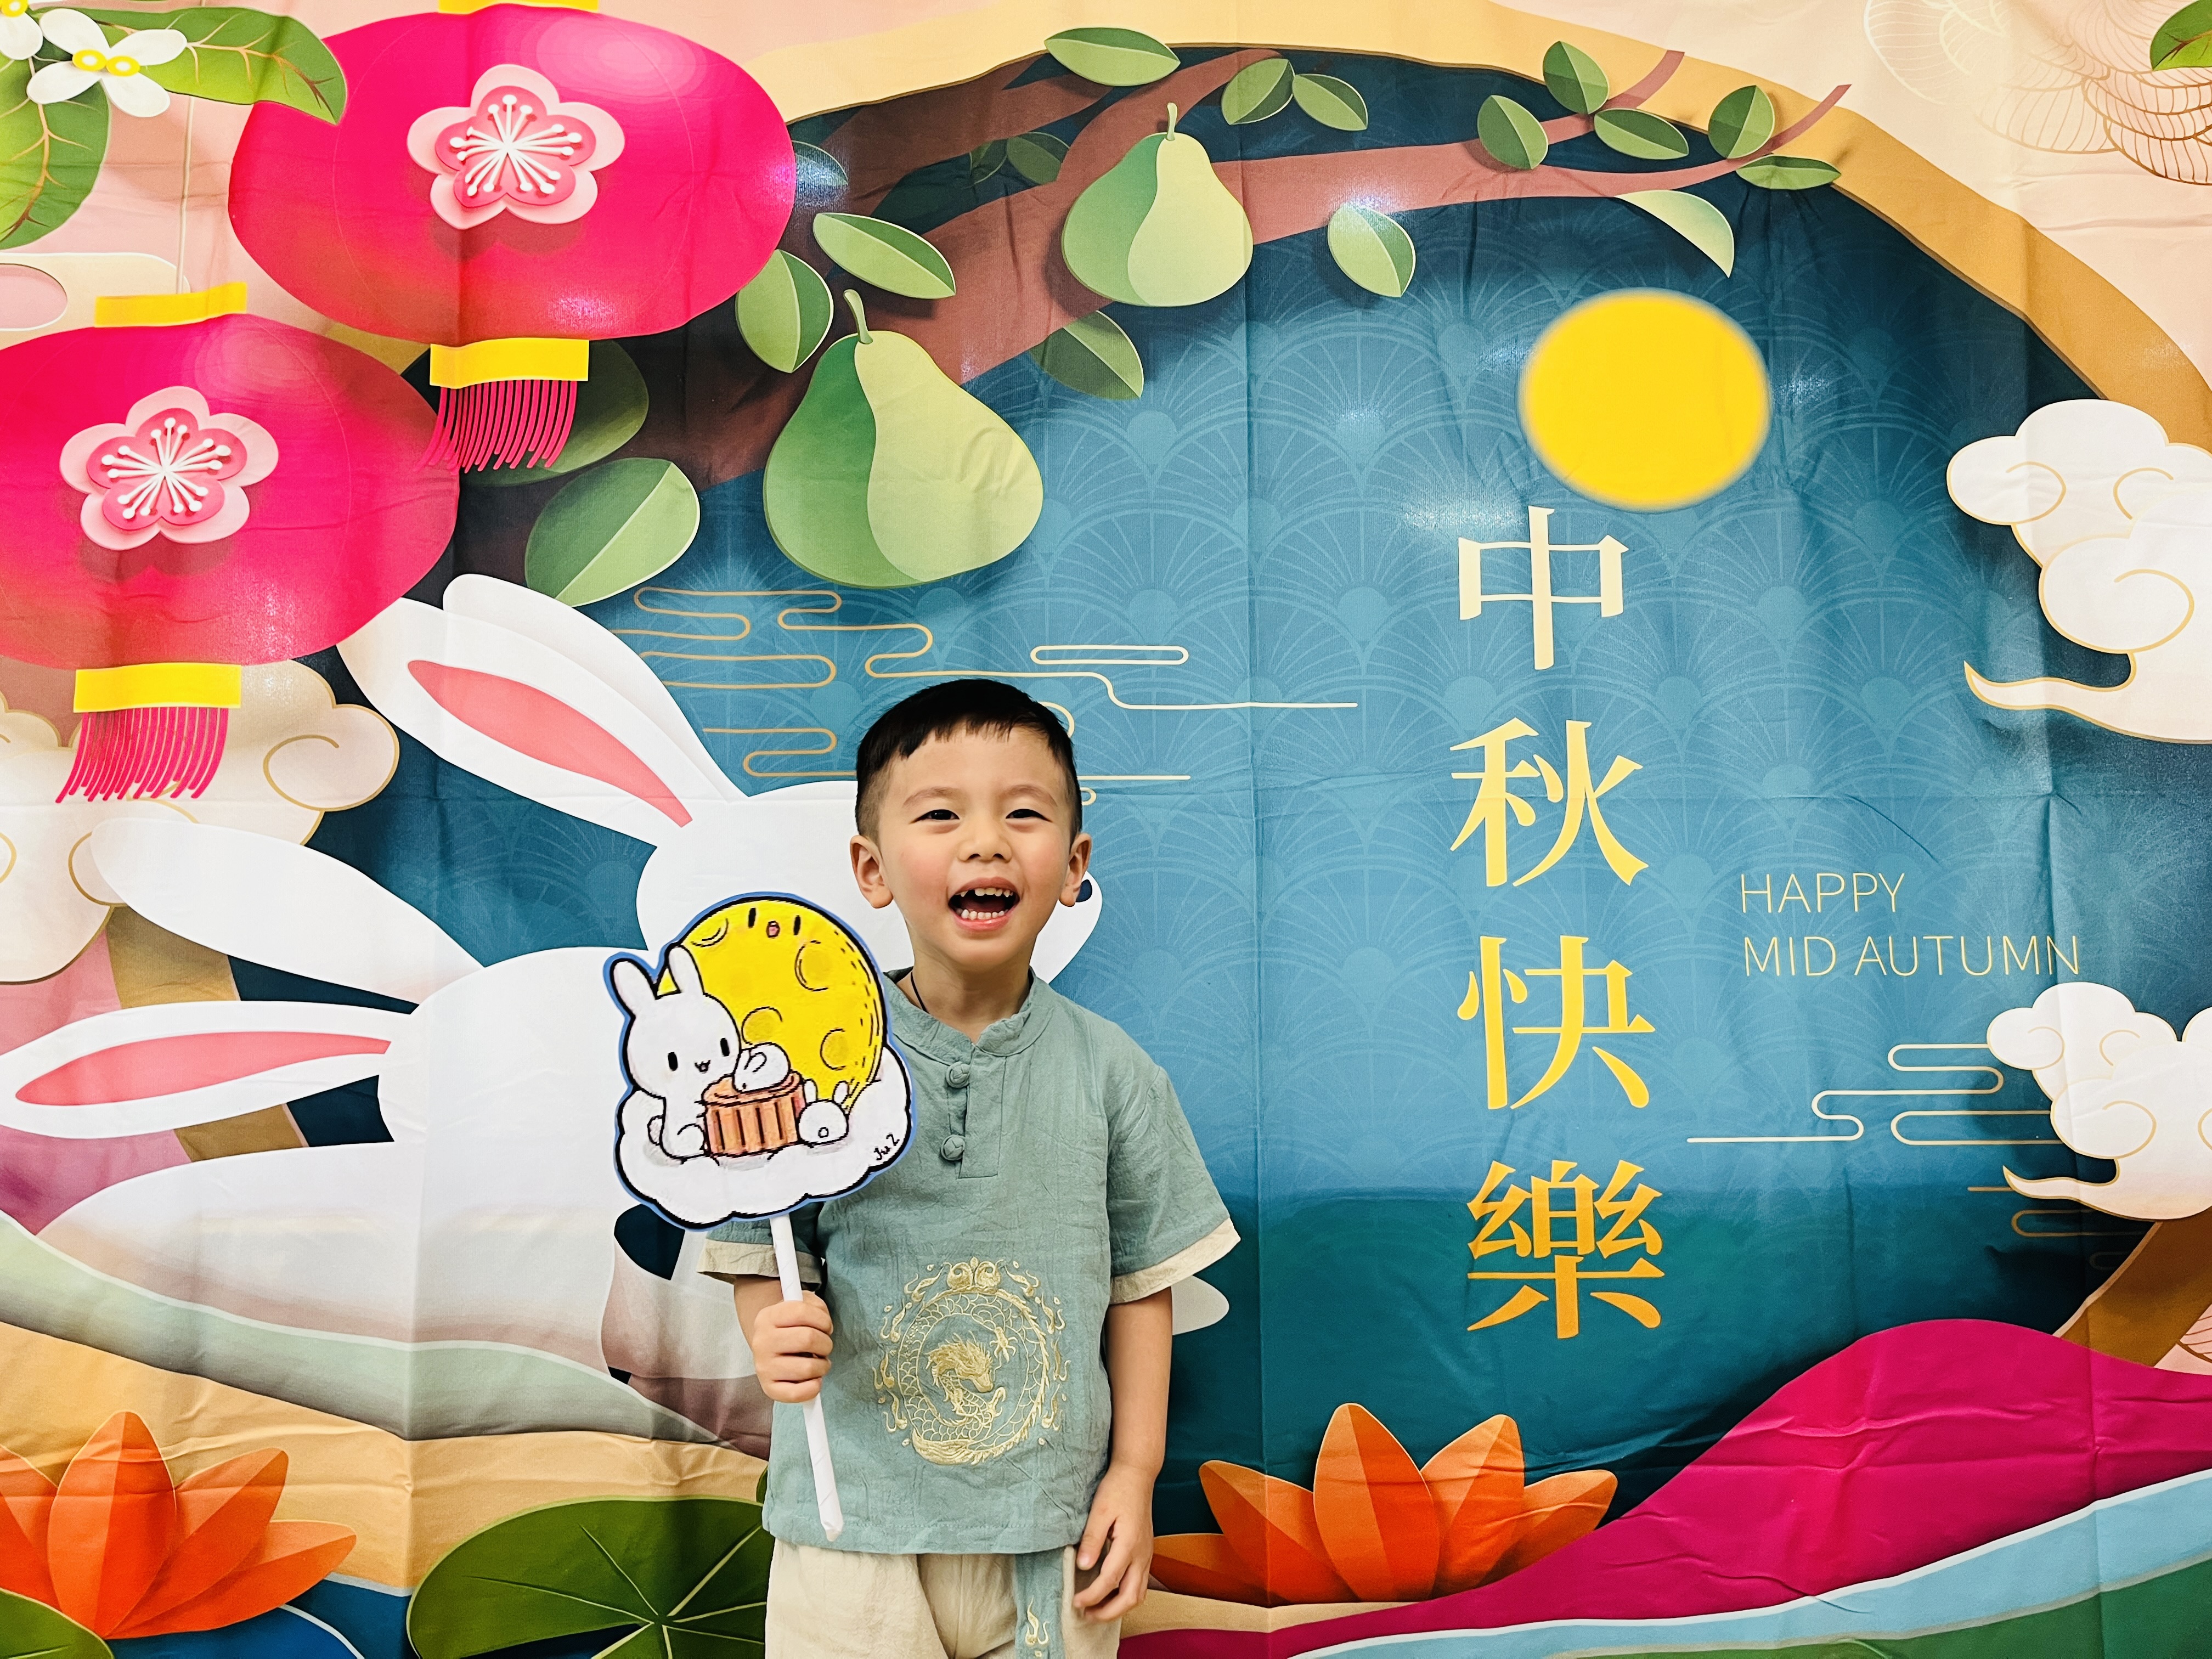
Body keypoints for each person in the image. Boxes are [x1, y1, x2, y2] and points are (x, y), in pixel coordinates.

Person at [703, 678, 1236, 1659]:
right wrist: (769, 1329)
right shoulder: (807, 1063)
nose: (985, 842)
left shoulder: (1115, 1072)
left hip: (1053, 1536)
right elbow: (765, 1245)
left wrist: (1134, 1474)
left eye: (1023, 814)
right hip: (849, 1523)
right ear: (871, 868)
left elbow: (1140, 1288)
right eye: (941, 814)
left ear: (1073, 865)